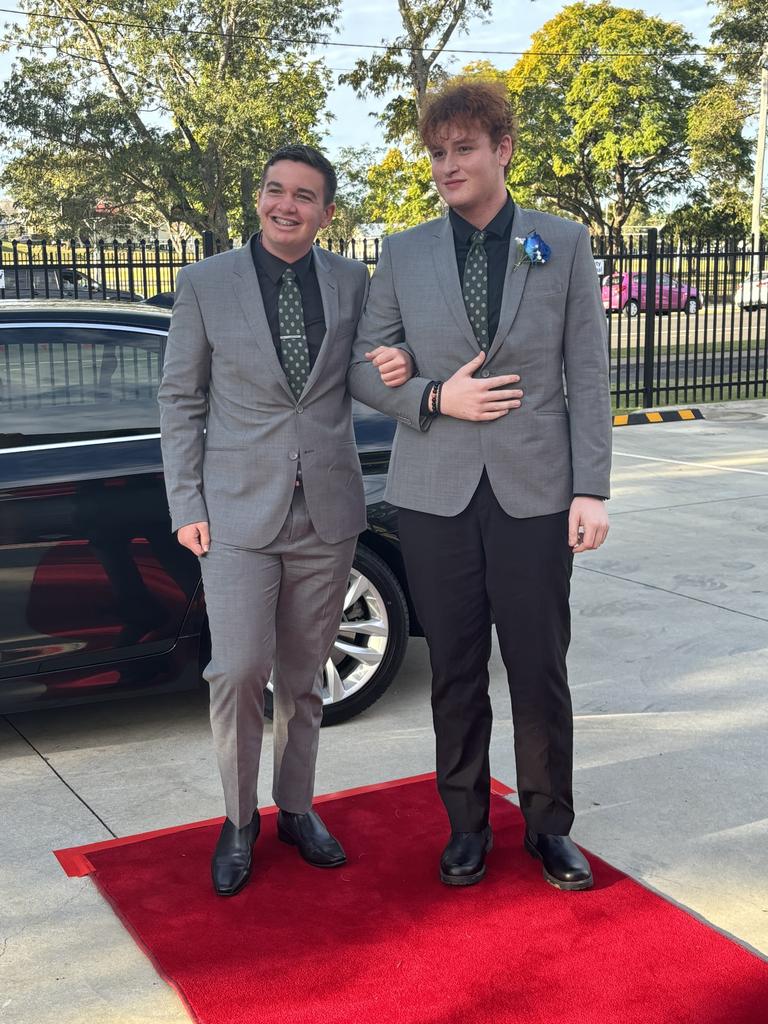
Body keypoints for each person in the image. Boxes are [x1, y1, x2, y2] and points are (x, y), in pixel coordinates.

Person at [348, 80, 612, 890]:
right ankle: (466, 825)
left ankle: (547, 826)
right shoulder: (403, 251)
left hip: (537, 491)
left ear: (502, 149)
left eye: (464, 148)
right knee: (456, 668)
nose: (447, 165)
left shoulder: (561, 243)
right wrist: (431, 395)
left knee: (539, 668)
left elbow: (588, 374)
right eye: (437, 153)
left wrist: (591, 488)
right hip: (434, 495)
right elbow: (362, 366)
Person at [159, 145, 400, 897]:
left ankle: (296, 808)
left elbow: (360, 369)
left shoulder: (352, 280)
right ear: (258, 197)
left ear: (327, 213)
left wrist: (396, 372)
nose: (285, 205)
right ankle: (239, 822)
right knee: (235, 672)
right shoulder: (205, 283)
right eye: (274, 190)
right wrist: (186, 503)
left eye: (303, 196)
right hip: (234, 513)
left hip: (325, 510)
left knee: (303, 679)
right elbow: (180, 400)